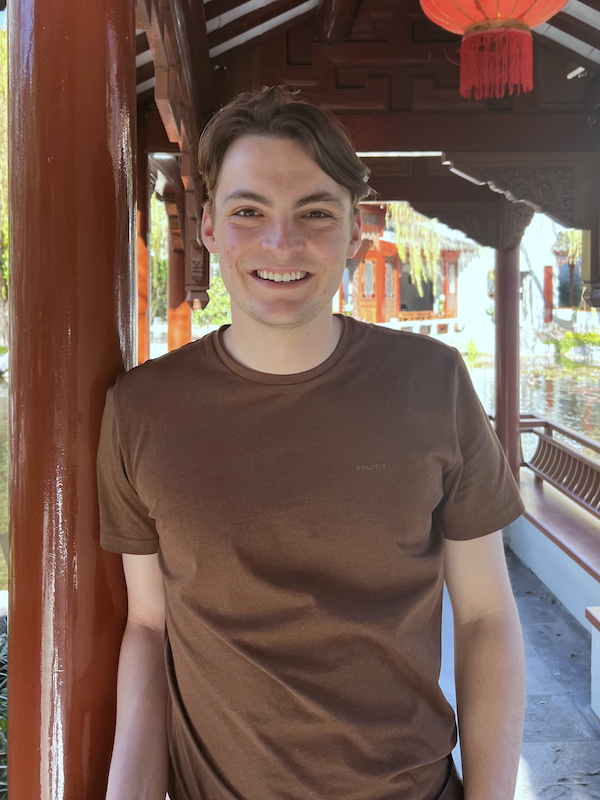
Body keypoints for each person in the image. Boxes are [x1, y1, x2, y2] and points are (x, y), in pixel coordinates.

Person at [98, 87, 526, 800]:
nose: (281, 242)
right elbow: (148, 628)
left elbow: (485, 615)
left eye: (315, 213)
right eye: (248, 212)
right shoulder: (141, 410)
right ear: (207, 227)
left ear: (356, 231)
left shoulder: (433, 382)